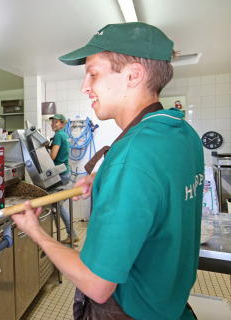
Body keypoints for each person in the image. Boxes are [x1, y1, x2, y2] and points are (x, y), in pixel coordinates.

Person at [12, 22, 204, 319]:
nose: (84, 86)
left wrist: (35, 231)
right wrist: (106, 179)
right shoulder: (182, 133)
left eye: (94, 73)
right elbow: (160, 188)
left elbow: (97, 285)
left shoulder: (132, 157)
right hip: (171, 306)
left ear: (133, 75)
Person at [48, 113, 79, 244]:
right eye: (53, 122)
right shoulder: (65, 135)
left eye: (57, 122)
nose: (53, 124)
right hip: (65, 172)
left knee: (58, 206)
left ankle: (72, 234)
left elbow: (53, 156)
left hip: (60, 174)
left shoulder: (58, 136)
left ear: (63, 123)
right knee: (57, 206)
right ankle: (67, 235)